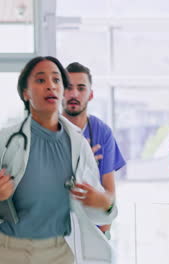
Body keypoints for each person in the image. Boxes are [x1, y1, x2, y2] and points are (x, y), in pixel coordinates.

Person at [0, 56, 117, 264]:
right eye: (41, 80)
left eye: (56, 80)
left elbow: (100, 211)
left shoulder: (78, 145)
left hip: (57, 252)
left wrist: (105, 203)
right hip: (3, 248)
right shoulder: (8, 138)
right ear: (26, 92)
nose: (50, 86)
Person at [62, 62, 126, 237]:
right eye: (68, 87)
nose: (74, 94)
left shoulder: (102, 133)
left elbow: (109, 196)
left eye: (81, 88)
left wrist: (105, 223)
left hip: (94, 232)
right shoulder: (48, 130)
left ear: (90, 95)